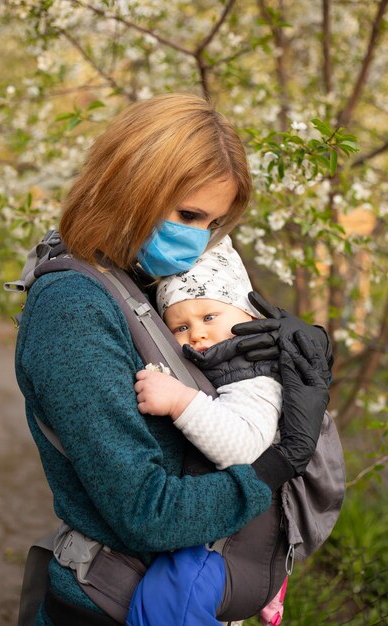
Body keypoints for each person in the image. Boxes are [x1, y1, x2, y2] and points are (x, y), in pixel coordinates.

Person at [13, 92, 331, 625]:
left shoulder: (143, 278)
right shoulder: (73, 310)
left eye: (212, 223)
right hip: (107, 604)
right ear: (130, 183)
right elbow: (148, 513)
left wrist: (281, 357)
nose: (197, 239)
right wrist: (279, 463)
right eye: (188, 214)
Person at [129, 235, 287, 626]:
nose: (196, 334)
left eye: (209, 317)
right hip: (216, 529)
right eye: (180, 326)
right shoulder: (224, 364)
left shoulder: (256, 378)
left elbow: (243, 447)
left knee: (169, 599)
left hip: (230, 542)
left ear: (248, 317)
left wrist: (180, 401)